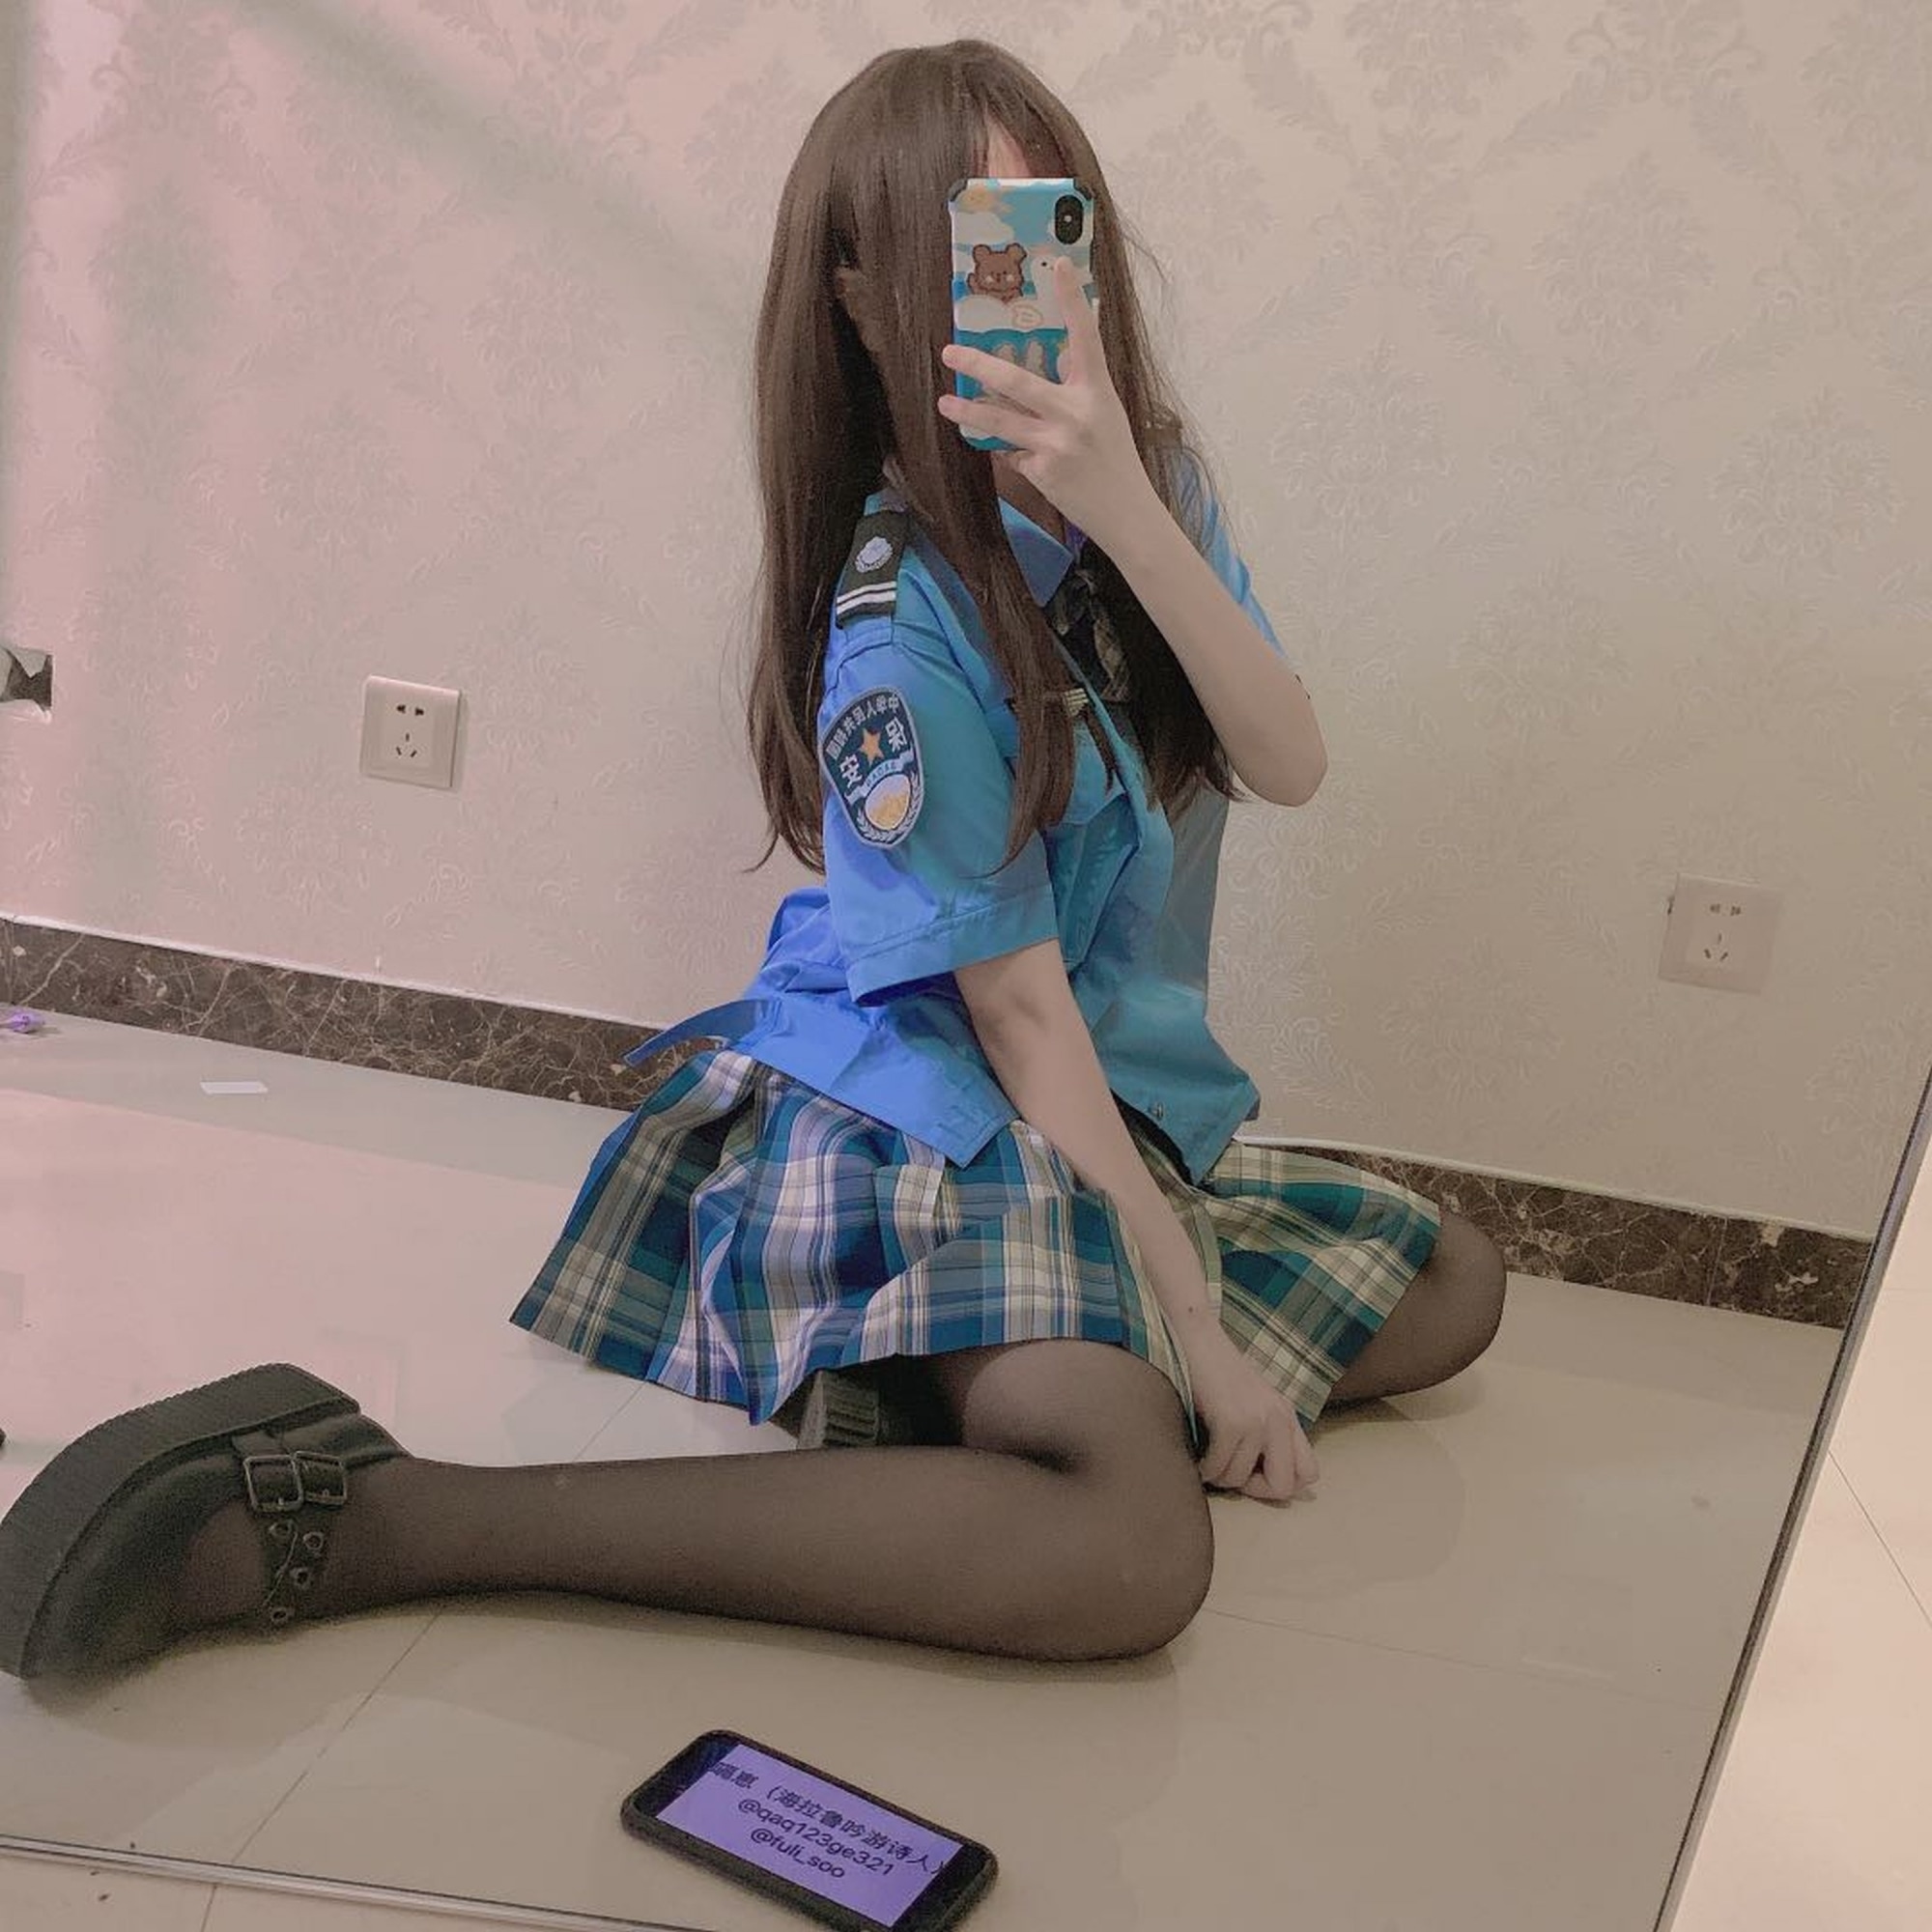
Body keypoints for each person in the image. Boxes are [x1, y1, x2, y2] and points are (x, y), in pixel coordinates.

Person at [0, 41, 1505, 1683]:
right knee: (1127, 1543)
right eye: (965, 238)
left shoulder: (1155, 488)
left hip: (1107, 1103)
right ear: (862, 294)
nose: (1024, 276)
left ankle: (931, 1376)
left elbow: (1288, 761)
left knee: (1454, 1283)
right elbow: (1013, 1017)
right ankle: (380, 1517)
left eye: (1047, 221)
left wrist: (1127, 509)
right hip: (927, 1100)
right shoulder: (899, 619)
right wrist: (1201, 1341)